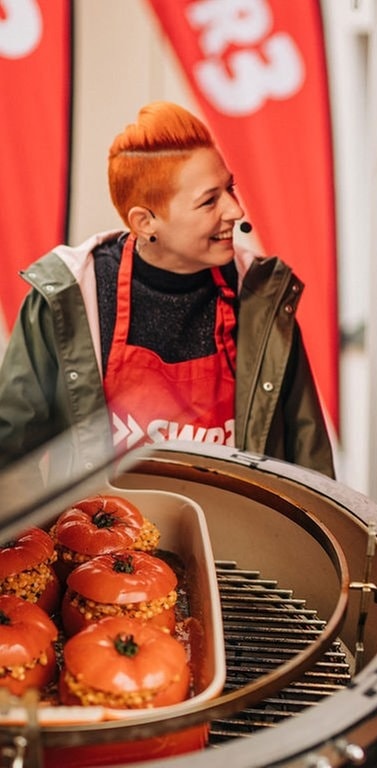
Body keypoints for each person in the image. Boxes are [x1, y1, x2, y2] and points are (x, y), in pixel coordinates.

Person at [0, 101, 334, 486]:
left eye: (230, 188)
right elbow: (11, 459)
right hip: (102, 541)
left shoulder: (264, 298)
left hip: (241, 545)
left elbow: (312, 470)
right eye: (210, 200)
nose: (235, 210)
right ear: (145, 222)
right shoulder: (69, 299)